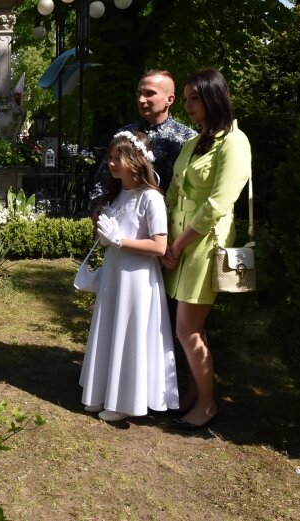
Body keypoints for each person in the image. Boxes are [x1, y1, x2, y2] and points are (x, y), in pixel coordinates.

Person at [162, 68, 252, 430]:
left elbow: (218, 203)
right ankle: (191, 395)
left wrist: (180, 244)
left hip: (205, 242)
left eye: (193, 97)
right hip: (179, 240)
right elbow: (172, 191)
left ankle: (208, 404)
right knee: (185, 327)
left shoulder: (234, 141)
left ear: (214, 96)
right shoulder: (194, 141)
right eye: (185, 98)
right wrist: (164, 237)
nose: (188, 105)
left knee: (188, 329)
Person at [80, 131, 179, 422]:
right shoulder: (116, 195)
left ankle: (125, 402)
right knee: (110, 328)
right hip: (114, 273)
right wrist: (104, 235)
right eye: (109, 157)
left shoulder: (151, 198)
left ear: (136, 160)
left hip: (136, 280)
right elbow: (112, 236)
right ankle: (101, 392)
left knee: (130, 334)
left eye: (117, 158)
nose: (111, 163)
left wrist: (119, 240)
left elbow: (159, 245)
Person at [90, 70, 197, 214]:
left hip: (170, 225)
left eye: (149, 93)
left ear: (169, 100)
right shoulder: (125, 134)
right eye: (139, 93)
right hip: (125, 223)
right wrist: (98, 208)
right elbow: (104, 178)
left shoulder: (187, 138)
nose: (141, 99)